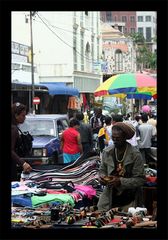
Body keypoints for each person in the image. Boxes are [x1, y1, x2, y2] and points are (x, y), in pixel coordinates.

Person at [97, 122, 145, 212]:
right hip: (109, 196)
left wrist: (120, 181)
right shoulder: (107, 152)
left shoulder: (135, 155)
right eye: (113, 138)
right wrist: (102, 177)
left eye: (118, 138)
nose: (114, 141)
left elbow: (140, 179)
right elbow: (102, 170)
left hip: (129, 197)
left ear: (125, 137)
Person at [11, 102, 32, 181]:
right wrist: (23, 163)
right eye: (23, 115)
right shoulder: (13, 129)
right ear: (16, 115)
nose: (25, 118)